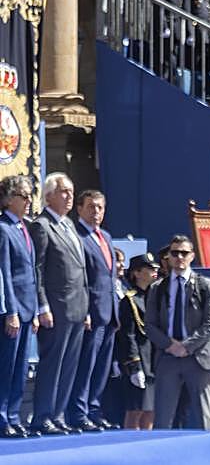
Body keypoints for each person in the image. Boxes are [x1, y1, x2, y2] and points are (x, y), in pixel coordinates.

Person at [145, 235, 210, 430]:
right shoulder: (157, 288)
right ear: (168, 258)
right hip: (169, 357)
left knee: (204, 416)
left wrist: (187, 346)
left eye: (184, 253)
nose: (180, 257)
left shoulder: (205, 285)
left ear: (192, 256)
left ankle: (209, 458)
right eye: (175, 253)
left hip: (199, 356)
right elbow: (150, 325)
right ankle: (161, 458)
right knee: (162, 418)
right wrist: (170, 345)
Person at [29, 172, 89, 435]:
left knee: (69, 366)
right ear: (49, 194)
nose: (69, 196)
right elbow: (37, 269)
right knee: (53, 363)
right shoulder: (42, 226)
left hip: (77, 306)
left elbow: (80, 268)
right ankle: (42, 416)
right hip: (56, 306)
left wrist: (85, 308)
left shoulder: (69, 225)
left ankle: (58, 414)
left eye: (71, 191)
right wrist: (42, 306)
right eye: (63, 191)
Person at [70, 189, 121, 430]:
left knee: (102, 366)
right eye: (91, 206)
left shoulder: (106, 237)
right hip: (91, 311)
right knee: (86, 364)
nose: (96, 212)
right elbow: (80, 279)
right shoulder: (77, 236)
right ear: (79, 209)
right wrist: (85, 310)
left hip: (110, 312)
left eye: (100, 207)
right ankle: (79, 412)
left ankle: (94, 407)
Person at [0, 175, 38, 436]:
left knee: (22, 366)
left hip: (27, 309)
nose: (28, 201)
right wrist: (10, 311)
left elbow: (31, 272)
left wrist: (33, 311)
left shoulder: (24, 228)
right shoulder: (3, 228)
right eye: (23, 196)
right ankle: (3, 417)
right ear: (9, 199)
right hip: (13, 311)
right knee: (7, 365)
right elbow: (4, 273)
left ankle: (14, 416)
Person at [117, 253, 160, 431]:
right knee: (136, 409)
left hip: (155, 358)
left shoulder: (155, 296)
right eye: (149, 269)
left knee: (150, 409)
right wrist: (134, 366)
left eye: (155, 268)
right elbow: (128, 335)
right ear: (137, 273)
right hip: (140, 359)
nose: (154, 272)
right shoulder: (130, 300)